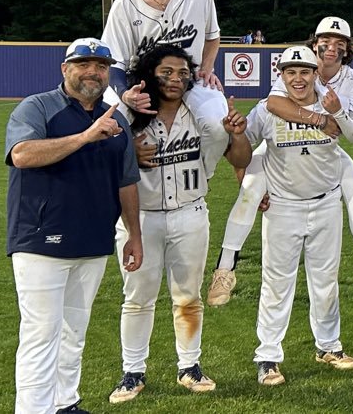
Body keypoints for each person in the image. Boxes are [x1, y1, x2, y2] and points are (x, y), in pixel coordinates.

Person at [208, 16, 353, 306]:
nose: (332, 47)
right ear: (314, 44)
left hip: (323, 150)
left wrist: (351, 125)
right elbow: (275, 104)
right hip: (281, 145)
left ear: (347, 48)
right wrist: (321, 119)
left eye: (339, 43)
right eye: (325, 41)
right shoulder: (299, 66)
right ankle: (225, 269)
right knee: (250, 188)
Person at [107, 45, 251, 404]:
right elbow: (101, 161)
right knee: (137, 298)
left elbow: (242, 157)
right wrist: (127, 151)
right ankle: (133, 371)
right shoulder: (128, 114)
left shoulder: (200, 113)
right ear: (149, 74)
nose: (175, 79)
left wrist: (236, 133)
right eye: (166, 72)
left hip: (190, 211)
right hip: (140, 218)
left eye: (183, 73)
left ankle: (189, 366)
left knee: (188, 296)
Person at [7, 38, 143, 414]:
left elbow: (127, 180)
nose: (93, 72)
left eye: (101, 66)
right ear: (65, 69)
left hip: (94, 240)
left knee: (74, 332)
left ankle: (65, 402)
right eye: (84, 64)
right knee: (41, 333)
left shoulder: (116, 120)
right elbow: (22, 154)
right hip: (40, 241)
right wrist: (85, 136)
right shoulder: (37, 107)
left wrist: (134, 234)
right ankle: (34, 409)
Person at [245, 46, 353, 385]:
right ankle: (268, 356)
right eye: (290, 72)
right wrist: (248, 184)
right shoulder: (266, 109)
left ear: (316, 74)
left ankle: (329, 346)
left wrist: (343, 119)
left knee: (326, 281)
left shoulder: (331, 103)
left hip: (326, 202)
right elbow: (241, 147)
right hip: (283, 205)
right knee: (277, 283)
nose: (297, 78)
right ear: (281, 75)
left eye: (304, 72)